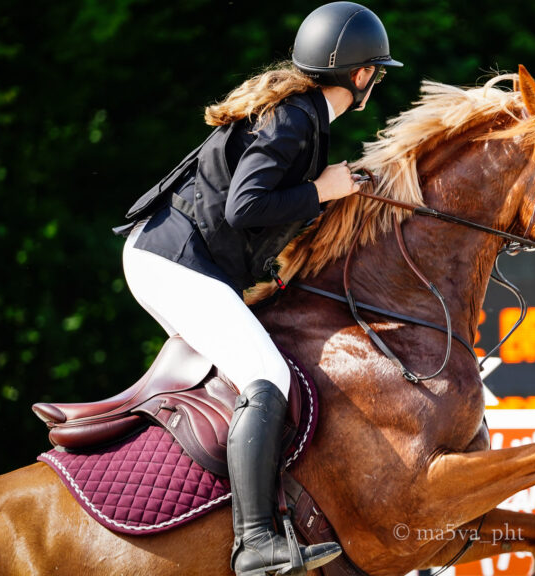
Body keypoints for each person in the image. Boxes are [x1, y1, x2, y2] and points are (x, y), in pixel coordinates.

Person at [114, 3, 403, 575]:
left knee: (251, 376)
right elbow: (244, 206)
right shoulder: (296, 117)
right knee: (265, 377)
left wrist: (333, 195)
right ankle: (255, 543)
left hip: (175, 260)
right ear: (361, 74)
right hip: (172, 262)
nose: (376, 81)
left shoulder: (302, 117)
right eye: (378, 72)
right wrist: (323, 189)